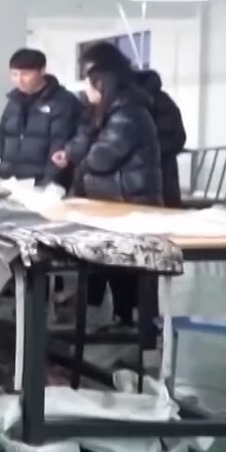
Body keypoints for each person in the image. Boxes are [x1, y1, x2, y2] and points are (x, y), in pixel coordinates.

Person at [64, 62, 164, 327]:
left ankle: (139, 327)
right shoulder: (108, 112)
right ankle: (123, 319)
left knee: (129, 266)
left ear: (101, 85)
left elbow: (103, 157)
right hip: (114, 201)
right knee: (115, 265)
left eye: (88, 84)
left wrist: (83, 162)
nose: (85, 91)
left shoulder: (127, 114)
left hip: (131, 200)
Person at [77, 41, 187, 207]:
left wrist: (139, 152)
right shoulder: (104, 103)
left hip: (150, 185)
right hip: (122, 187)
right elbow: (90, 135)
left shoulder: (147, 102)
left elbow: (176, 138)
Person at [0, 48, 79, 186]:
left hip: (44, 184)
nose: (19, 80)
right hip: (11, 181)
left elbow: (60, 144)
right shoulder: (13, 102)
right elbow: (3, 137)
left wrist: (48, 184)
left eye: (25, 74)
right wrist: (3, 171)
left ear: (42, 71)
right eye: (14, 74)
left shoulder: (62, 102)